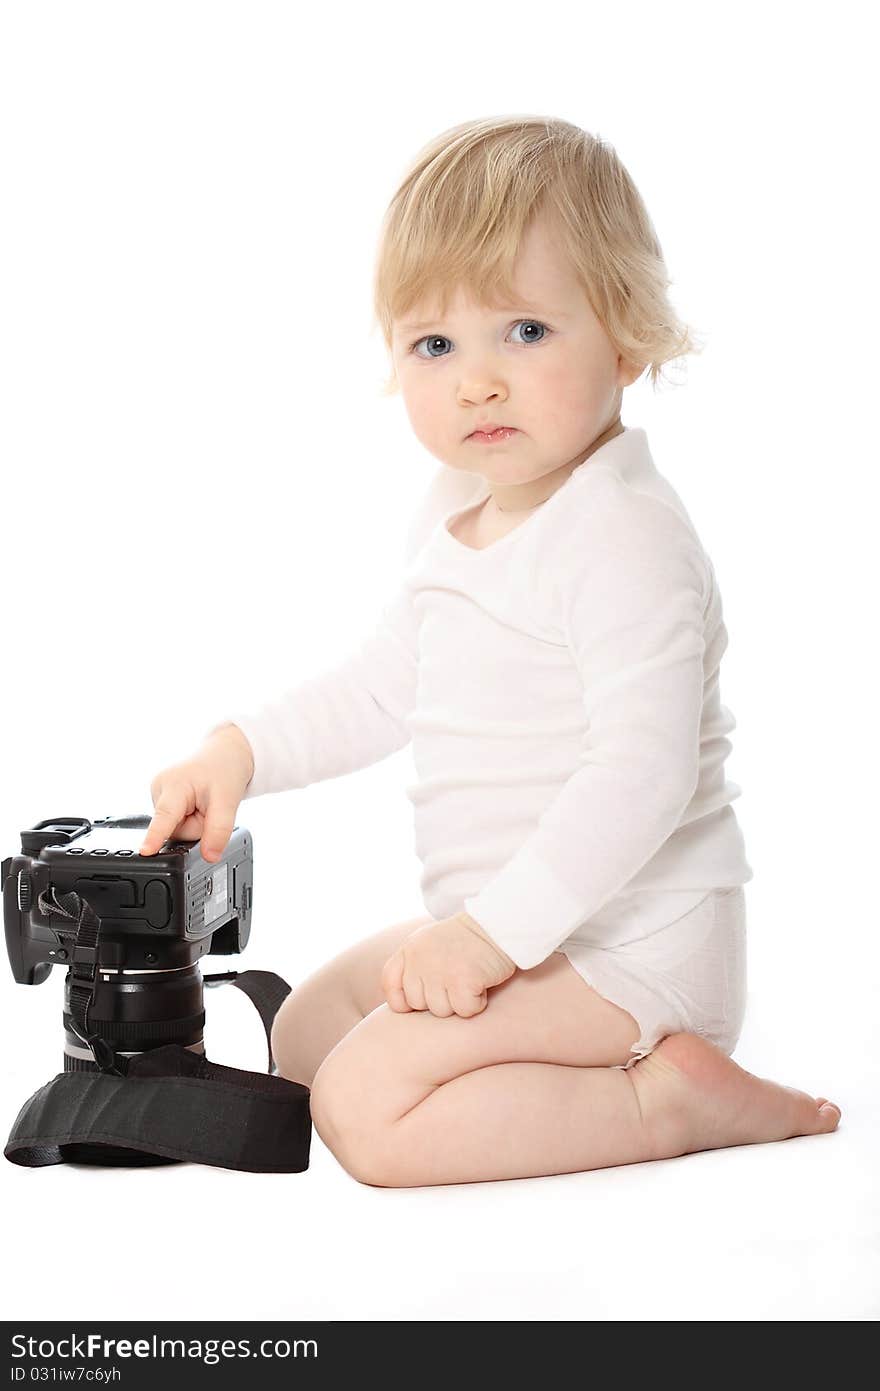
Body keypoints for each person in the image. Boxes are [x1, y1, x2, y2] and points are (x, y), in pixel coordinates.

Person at [139, 115, 840, 1187]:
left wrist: (485, 941)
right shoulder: (458, 504)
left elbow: (640, 774)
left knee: (366, 1109)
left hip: (632, 949)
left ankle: (663, 1098)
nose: (475, 382)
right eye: (435, 345)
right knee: (311, 1035)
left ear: (629, 334)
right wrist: (240, 751)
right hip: (520, 930)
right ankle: (545, 1078)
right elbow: (382, 685)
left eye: (522, 331)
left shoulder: (622, 534)